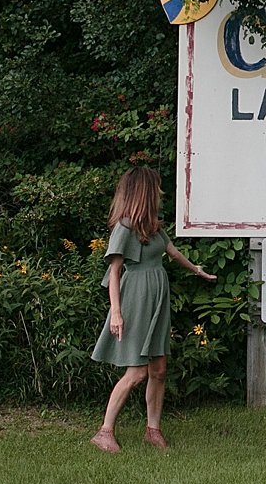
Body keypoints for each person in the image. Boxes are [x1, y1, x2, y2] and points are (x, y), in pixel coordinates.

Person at [89, 166, 216, 454]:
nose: (160, 193)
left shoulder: (153, 226)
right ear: (144, 193)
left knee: (158, 369)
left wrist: (197, 270)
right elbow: (114, 272)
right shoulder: (124, 228)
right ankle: (104, 431)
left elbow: (172, 252)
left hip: (157, 300)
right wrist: (117, 313)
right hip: (135, 299)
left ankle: (153, 429)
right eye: (156, 189)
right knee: (136, 372)